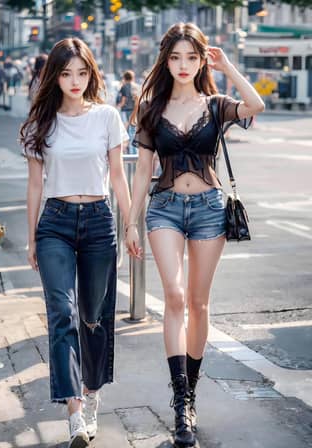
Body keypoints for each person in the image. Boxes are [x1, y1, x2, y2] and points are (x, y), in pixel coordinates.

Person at [126, 22, 264, 448]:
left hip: (208, 211)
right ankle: (180, 399)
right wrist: (132, 219)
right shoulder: (150, 108)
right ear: (165, 60)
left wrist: (229, 66)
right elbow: (142, 170)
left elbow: (255, 104)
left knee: (200, 303)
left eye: (191, 56)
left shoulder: (216, 104)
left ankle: (192, 393)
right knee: (175, 297)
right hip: (164, 209)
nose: (183, 65)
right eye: (175, 57)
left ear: (201, 59)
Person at [20, 38, 130, 448]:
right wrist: (31, 236)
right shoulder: (39, 124)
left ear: (91, 74)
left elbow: (117, 175)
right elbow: (35, 187)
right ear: (55, 76)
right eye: (66, 73)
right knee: (61, 313)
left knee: (93, 315)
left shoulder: (106, 116)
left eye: (82, 72)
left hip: (100, 222)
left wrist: (131, 223)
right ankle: (74, 412)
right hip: (55, 225)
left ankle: (94, 392)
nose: (75, 81)